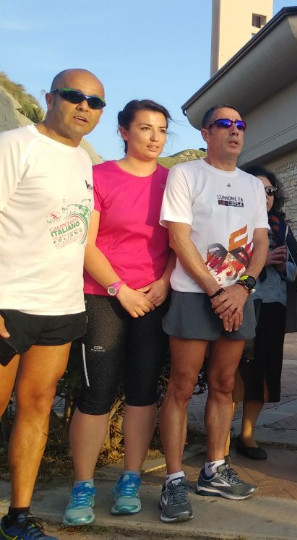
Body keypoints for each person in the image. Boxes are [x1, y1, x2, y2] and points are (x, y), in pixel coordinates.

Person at [0, 68, 105, 540]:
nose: (84, 106)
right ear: (49, 98)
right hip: (9, 302)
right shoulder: (14, 145)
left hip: (61, 306)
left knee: (37, 406)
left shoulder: (82, 160)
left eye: (95, 102)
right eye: (74, 95)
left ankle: (17, 518)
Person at [63, 99, 174, 527]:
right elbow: (85, 242)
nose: (155, 137)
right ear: (124, 131)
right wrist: (119, 289)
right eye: (145, 128)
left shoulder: (173, 180)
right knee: (97, 393)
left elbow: (180, 241)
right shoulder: (99, 176)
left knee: (143, 391)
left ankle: (130, 480)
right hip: (103, 296)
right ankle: (83, 485)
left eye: (161, 130)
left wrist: (164, 281)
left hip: (153, 298)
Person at [157, 105, 267, 523]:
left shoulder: (252, 185)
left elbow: (260, 242)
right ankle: (173, 480)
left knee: (224, 385)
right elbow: (178, 238)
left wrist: (243, 288)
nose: (235, 131)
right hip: (194, 294)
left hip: (238, 297)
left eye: (240, 125)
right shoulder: (186, 175)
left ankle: (214, 470)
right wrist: (216, 290)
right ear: (206, 133)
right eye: (224, 124)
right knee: (182, 387)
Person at [232, 166, 296, 461]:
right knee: (235, 372)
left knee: (263, 372)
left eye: (270, 191)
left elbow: (295, 273)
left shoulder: (281, 228)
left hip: (272, 306)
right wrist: (261, 260)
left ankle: (247, 434)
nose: (266, 196)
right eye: (258, 190)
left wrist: (281, 265)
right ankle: (221, 436)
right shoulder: (233, 222)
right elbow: (222, 264)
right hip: (241, 303)